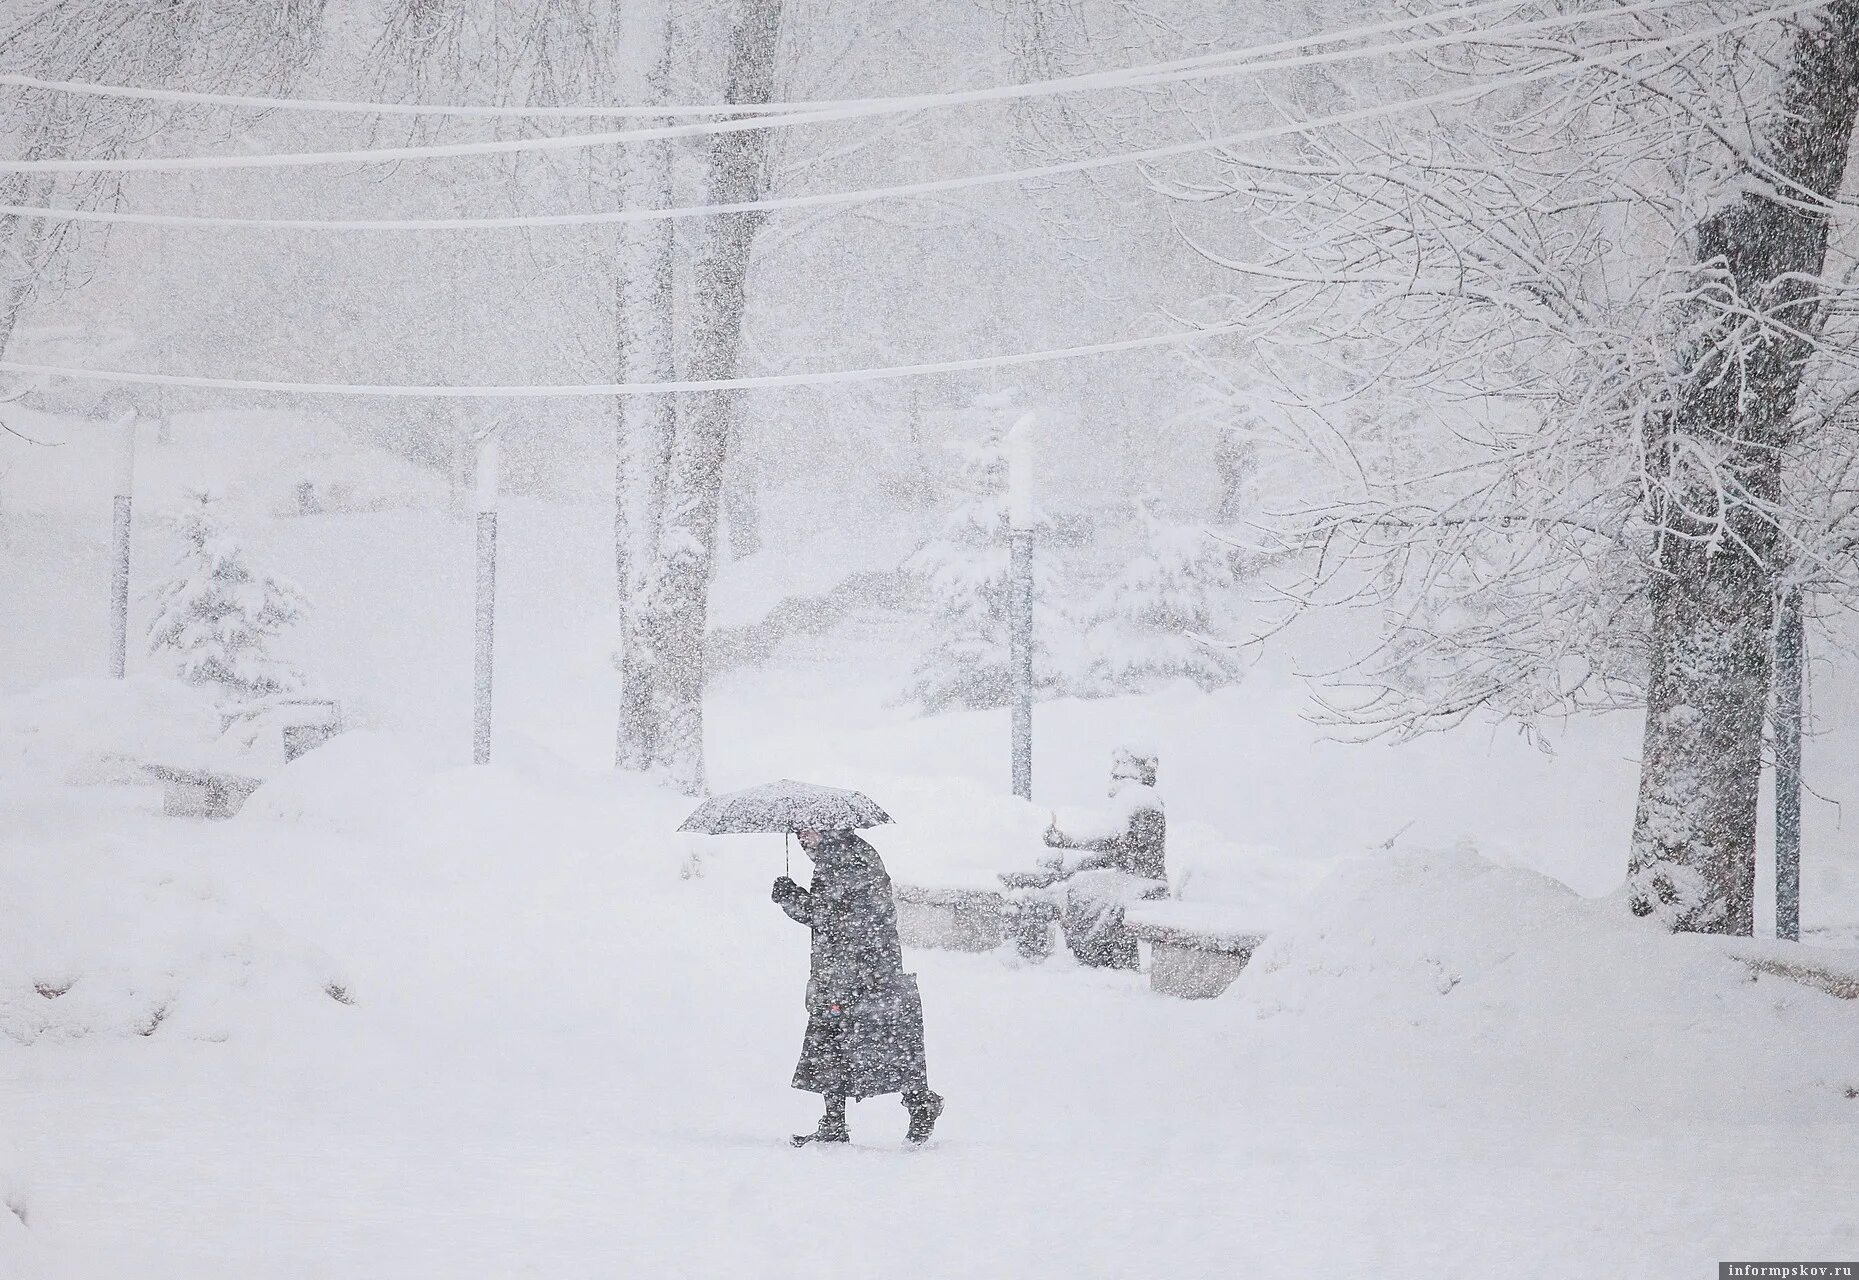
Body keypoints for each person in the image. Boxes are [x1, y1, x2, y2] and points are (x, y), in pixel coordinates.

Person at [772, 827, 944, 1147]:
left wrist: (790, 897)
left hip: (863, 969)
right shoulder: (838, 856)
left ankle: (920, 1104)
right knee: (833, 1042)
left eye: (806, 831)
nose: (801, 838)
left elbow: (829, 916)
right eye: (796, 833)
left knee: (876, 1044)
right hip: (846, 969)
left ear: (826, 827)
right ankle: (836, 1122)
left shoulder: (847, 859)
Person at [1035, 746, 1168, 969]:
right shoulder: (1135, 797)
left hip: (1142, 882)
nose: (1113, 769)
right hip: (1132, 878)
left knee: (1082, 892)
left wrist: (1067, 840)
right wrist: (1075, 865)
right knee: (1080, 887)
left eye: (1119, 764)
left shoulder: (1138, 796)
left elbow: (1112, 839)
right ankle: (1100, 953)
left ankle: (1096, 956)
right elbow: (1118, 852)